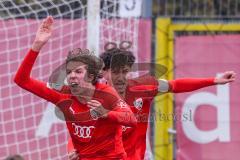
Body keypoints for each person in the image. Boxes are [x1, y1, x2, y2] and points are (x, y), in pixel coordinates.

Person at [67, 41, 236, 160]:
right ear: (103, 72)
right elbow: (78, 130)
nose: (120, 77)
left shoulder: (143, 88)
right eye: (115, 72)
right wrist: (71, 150)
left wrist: (213, 80)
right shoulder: (93, 96)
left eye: (124, 71)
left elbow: (175, 85)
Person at [14, 16, 137, 160]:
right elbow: (21, 80)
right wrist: (37, 45)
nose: (72, 76)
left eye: (78, 72)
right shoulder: (62, 94)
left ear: (91, 76)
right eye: (69, 72)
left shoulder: (106, 93)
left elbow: (131, 119)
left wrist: (105, 113)